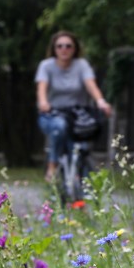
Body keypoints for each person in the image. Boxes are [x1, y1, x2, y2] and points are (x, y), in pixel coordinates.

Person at [35, 31, 112, 182]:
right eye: (60, 46)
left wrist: (101, 101)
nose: (64, 49)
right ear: (54, 49)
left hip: (76, 115)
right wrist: (43, 102)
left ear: (75, 49)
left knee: (79, 149)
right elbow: (41, 88)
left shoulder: (81, 65)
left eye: (68, 46)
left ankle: (82, 191)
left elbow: (91, 86)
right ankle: (53, 165)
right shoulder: (46, 66)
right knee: (60, 127)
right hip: (52, 114)